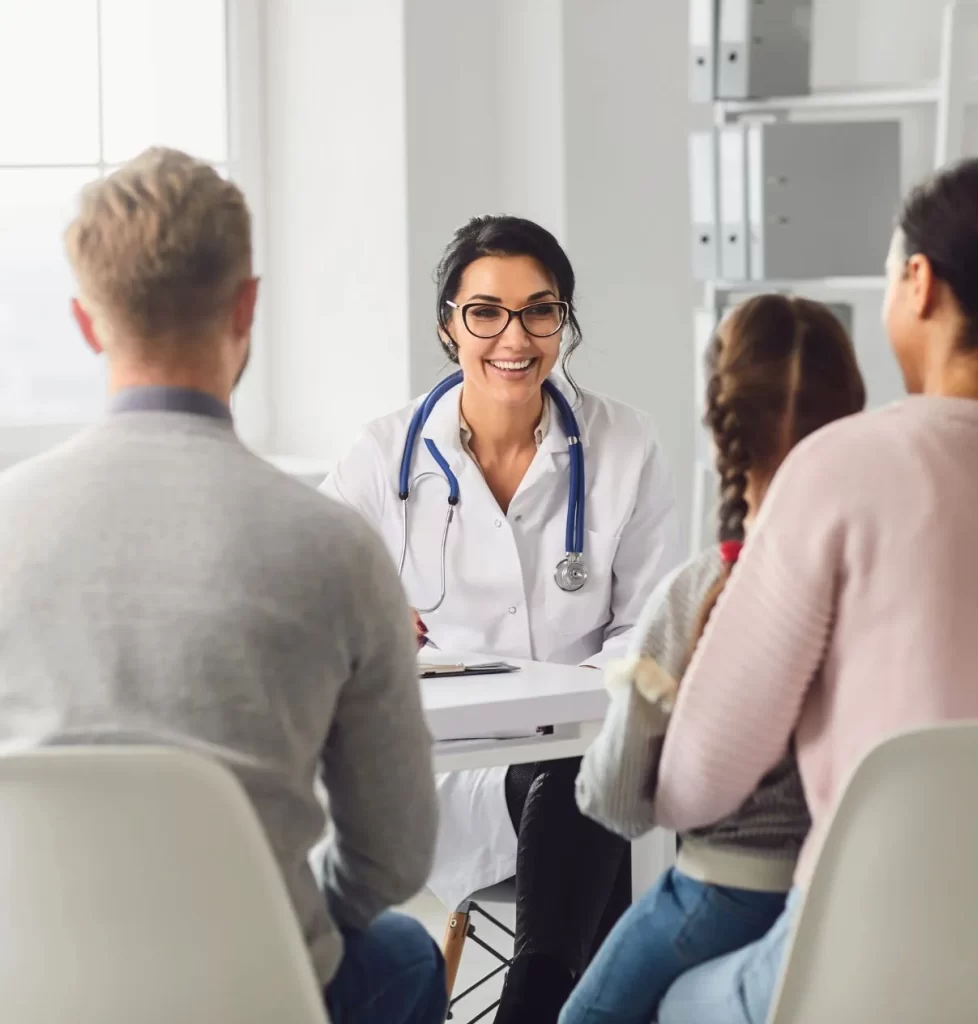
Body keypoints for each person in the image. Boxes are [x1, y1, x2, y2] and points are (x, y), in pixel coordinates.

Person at [0, 148, 446, 1024]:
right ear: (248, 304)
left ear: (88, 323)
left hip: (30, 988)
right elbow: (395, 859)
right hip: (257, 993)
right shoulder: (335, 548)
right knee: (403, 953)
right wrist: (284, 929)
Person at [650, 156, 978, 1024]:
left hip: (871, 952)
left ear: (920, 285)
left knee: (670, 1004)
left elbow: (695, 783)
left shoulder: (843, 467)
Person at [320, 215, 684, 1022]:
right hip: (446, 772)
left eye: (539, 310)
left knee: (584, 774)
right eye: (485, 311)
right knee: (593, 793)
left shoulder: (626, 446)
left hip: (590, 754)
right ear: (449, 324)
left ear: (565, 321)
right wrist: (376, 628)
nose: (513, 337)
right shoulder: (382, 459)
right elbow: (314, 612)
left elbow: (651, 631)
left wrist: (569, 705)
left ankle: (533, 998)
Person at [561, 295, 866, 1024]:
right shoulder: (876, 586)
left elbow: (612, 802)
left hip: (716, 896)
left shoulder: (702, 593)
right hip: (843, 899)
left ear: (717, 431)